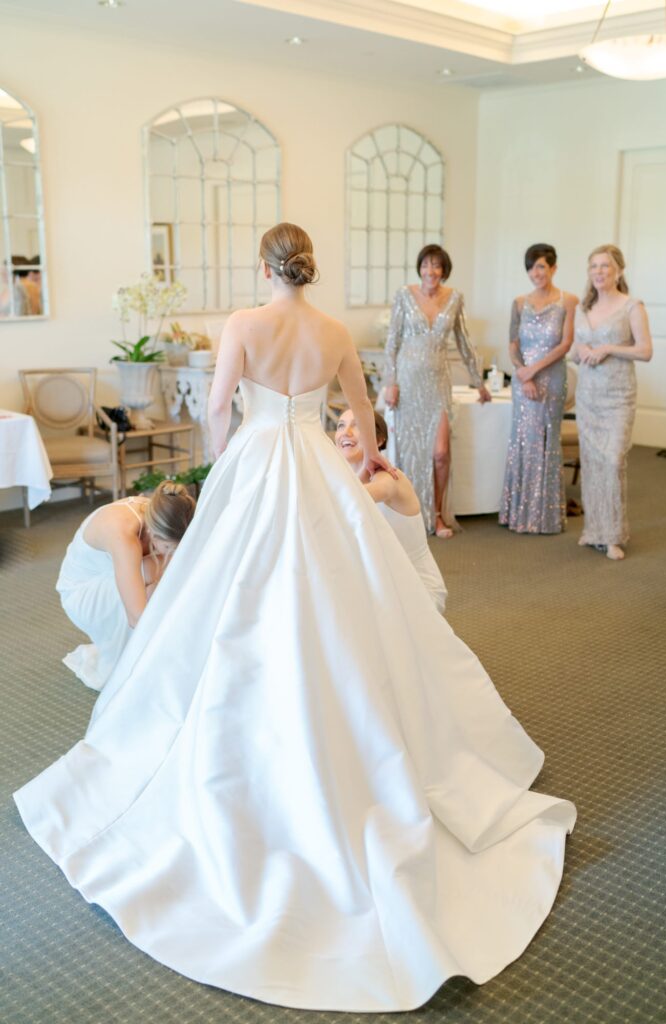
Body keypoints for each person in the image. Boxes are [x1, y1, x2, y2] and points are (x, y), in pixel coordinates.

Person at [15, 223, 575, 1014]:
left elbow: (218, 411)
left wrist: (235, 462)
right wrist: (370, 462)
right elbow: (363, 418)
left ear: (263, 267)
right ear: (309, 268)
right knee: (341, 597)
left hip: (254, 464)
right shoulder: (334, 330)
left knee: (236, 599)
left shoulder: (242, 325)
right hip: (314, 467)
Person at [384, 244, 491, 538]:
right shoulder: (404, 296)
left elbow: (465, 342)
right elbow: (392, 342)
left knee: (441, 453)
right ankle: (410, 515)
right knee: (410, 452)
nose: (430, 271)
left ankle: (439, 515)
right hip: (407, 382)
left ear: (444, 271)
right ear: (419, 268)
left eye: (437, 266)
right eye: (426, 265)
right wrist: (390, 382)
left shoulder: (454, 298)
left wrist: (478, 381)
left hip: (438, 383)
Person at [57, 481, 196, 691]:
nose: (170, 553)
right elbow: (137, 617)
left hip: (113, 577)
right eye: (168, 547)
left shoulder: (163, 512)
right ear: (155, 534)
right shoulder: (123, 534)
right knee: (162, 570)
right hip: (82, 594)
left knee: (176, 567)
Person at [571, 244, 652, 560]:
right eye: (593, 266)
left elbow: (645, 351)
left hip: (618, 395)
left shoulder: (632, 306)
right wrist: (583, 352)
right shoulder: (582, 308)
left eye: (605, 266)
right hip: (588, 395)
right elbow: (576, 350)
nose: (599, 272)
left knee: (614, 459)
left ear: (618, 270)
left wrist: (608, 348)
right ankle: (595, 531)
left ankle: (614, 535)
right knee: (592, 463)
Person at [336, 407, 447, 613]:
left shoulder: (388, 478)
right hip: (375, 580)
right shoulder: (340, 480)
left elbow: (367, 495)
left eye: (357, 426)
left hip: (414, 586)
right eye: (341, 425)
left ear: (378, 440)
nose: (346, 432)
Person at [499, 244, 578, 534]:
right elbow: (512, 344)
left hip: (553, 377)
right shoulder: (519, 302)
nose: (536, 273)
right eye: (531, 267)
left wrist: (534, 370)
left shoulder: (568, 300)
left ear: (553, 268)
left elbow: (565, 343)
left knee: (547, 439)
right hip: (524, 382)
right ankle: (519, 513)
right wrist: (523, 374)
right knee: (522, 441)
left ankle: (545, 516)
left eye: (542, 266)